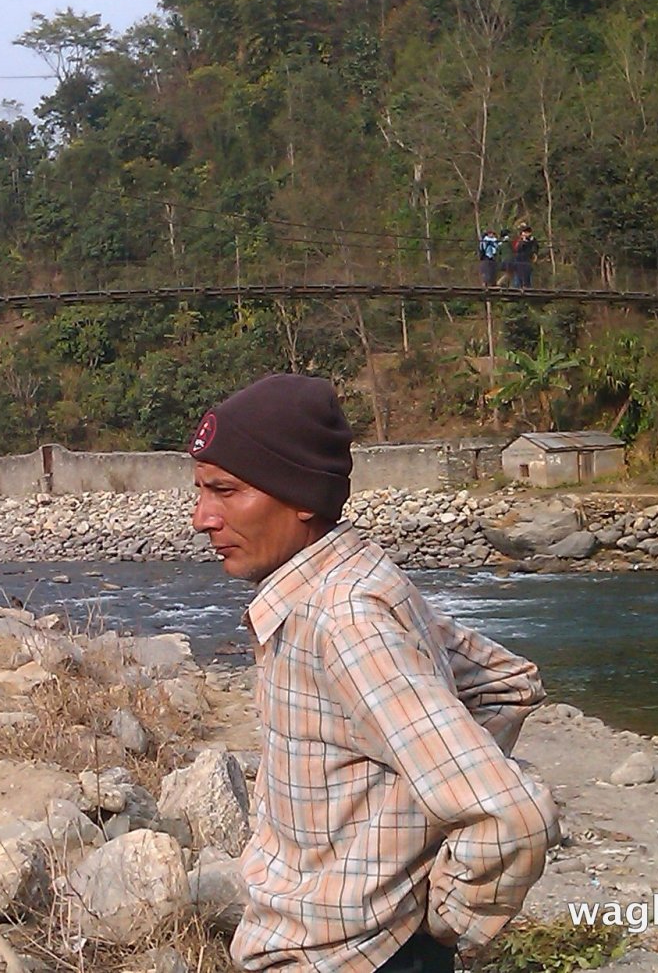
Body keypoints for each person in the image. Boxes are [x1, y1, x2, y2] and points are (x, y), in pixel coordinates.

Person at [189, 374, 558, 973]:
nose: (202, 517)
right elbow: (502, 680)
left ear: (300, 494)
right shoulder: (354, 582)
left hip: (347, 958)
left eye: (225, 491)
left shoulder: (344, 619)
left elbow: (512, 816)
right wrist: (407, 821)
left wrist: (440, 921)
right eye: (201, 491)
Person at [507, 223, 537, 289]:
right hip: (519, 260)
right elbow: (517, 249)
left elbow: (535, 248)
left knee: (527, 274)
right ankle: (516, 287)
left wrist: (534, 254)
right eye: (525, 232)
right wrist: (523, 241)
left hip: (527, 259)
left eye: (528, 232)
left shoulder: (533, 240)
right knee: (518, 274)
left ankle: (527, 287)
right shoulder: (519, 240)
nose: (527, 233)